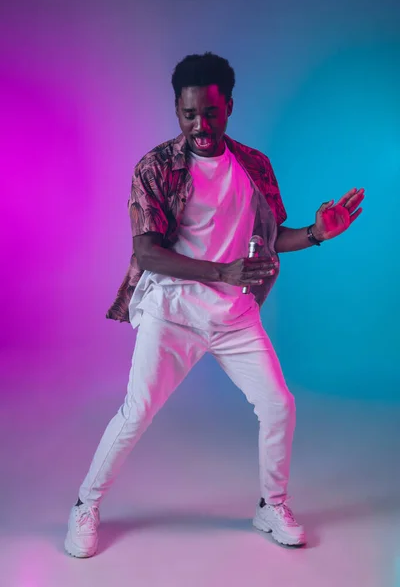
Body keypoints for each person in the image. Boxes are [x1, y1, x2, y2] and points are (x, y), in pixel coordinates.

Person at [64, 52, 364, 558]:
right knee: (136, 412)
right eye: (189, 115)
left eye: (211, 112)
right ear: (177, 111)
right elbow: (146, 252)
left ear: (228, 106)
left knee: (278, 406)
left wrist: (316, 233)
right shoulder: (157, 167)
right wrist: (220, 272)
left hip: (233, 315)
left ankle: (271, 505)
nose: (200, 125)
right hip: (172, 311)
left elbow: (270, 238)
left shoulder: (253, 166)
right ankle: (84, 506)